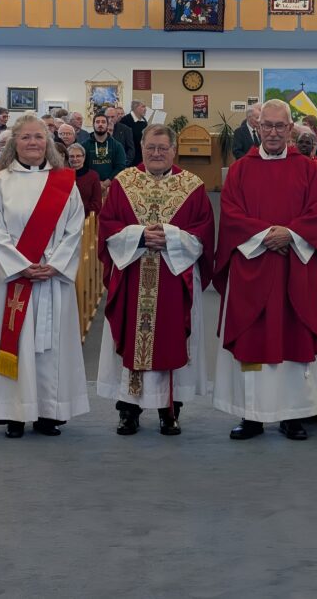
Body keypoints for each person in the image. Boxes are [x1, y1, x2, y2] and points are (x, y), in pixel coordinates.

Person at [213, 99, 317, 441]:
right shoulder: (240, 170)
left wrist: (290, 235)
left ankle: (293, 415)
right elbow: (231, 214)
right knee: (253, 338)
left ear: (291, 129)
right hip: (253, 269)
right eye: (268, 126)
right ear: (258, 127)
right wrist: (267, 235)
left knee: (293, 339)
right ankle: (251, 416)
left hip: (295, 268)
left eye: (281, 126)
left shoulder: (308, 169)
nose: (274, 133)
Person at [97, 124, 215, 436]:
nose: (157, 153)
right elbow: (107, 224)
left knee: (170, 337)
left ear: (173, 150)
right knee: (131, 338)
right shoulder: (124, 182)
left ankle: (169, 410)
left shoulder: (192, 185)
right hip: (133, 274)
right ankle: (128, 410)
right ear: (142, 147)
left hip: (175, 278)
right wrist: (138, 236)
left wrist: (171, 238)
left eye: (163, 148)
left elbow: (204, 231)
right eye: (151, 148)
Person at [0, 114, 88, 439]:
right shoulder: (0, 183)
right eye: (26, 137)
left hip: (52, 277)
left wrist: (54, 263)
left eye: (39, 137)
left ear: (48, 142)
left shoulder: (65, 182)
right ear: (14, 143)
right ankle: (14, 412)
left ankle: (49, 413)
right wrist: (21, 265)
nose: (33, 143)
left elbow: (74, 227)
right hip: (15, 279)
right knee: (17, 343)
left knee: (50, 346)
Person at [85, 113, 126, 189]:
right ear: (93, 124)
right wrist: (95, 183)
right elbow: (83, 167)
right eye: (97, 122)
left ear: (107, 125)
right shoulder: (84, 146)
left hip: (111, 186)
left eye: (103, 122)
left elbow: (121, 167)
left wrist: (107, 182)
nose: (100, 124)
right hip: (90, 186)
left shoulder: (117, 146)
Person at [67, 143, 103, 215]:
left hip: (86, 218)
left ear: (84, 157)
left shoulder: (93, 176)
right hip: (65, 217)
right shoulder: (63, 175)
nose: (75, 159)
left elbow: (97, 203)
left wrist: (79, 213)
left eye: (78, 156)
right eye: (71, 156)